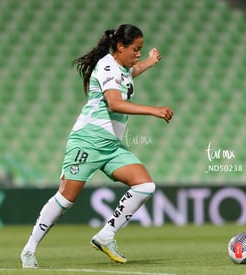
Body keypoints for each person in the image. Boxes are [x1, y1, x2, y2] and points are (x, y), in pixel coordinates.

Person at [20, 23, 173, 268]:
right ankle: (29, 249)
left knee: (145, 185)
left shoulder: (123, 67)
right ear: (120, 47)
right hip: (88, 141)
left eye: (141, 49)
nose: (138, 54)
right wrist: (153, 110)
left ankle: (106, 235)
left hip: (111, 145)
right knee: (67, 198)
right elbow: (114, 103)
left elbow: (130, 74)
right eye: (135, 49)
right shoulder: (107, 66)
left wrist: (150, 62)